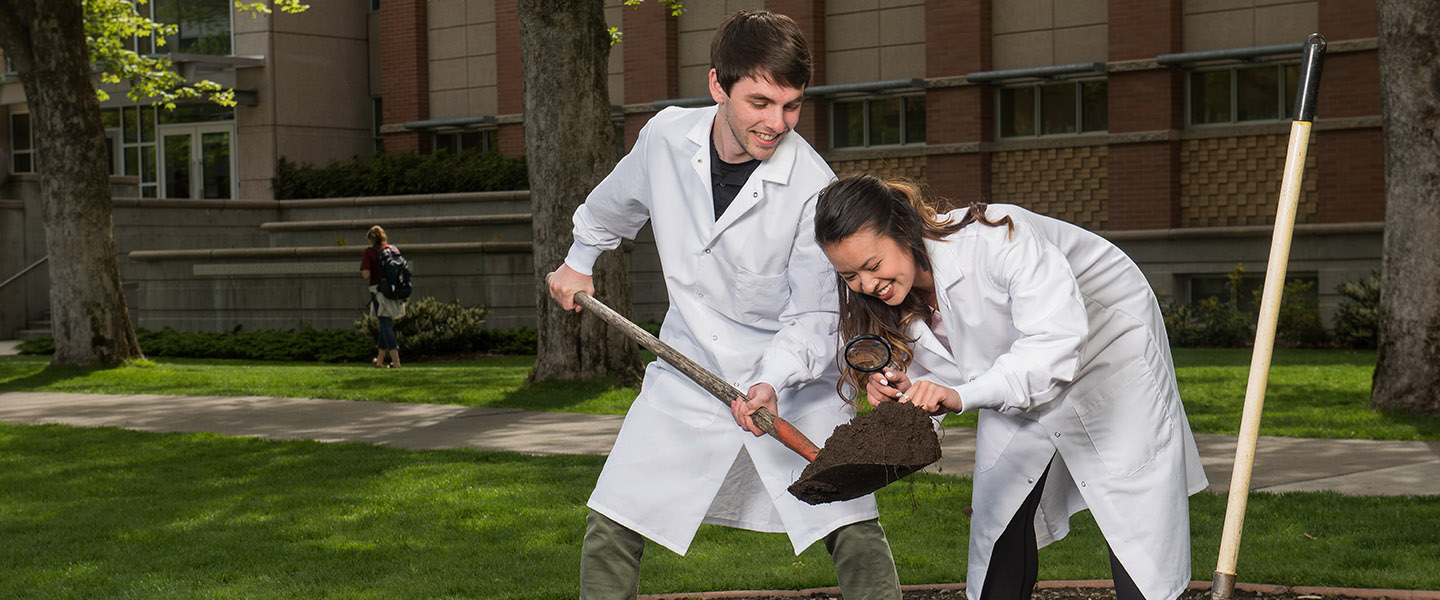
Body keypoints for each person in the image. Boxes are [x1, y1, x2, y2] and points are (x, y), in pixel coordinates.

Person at [544, 10, 901, 600]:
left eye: (791, 106)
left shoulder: (814, 185)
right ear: (717, 85)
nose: (776, 123)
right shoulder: (664, 138)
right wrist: (579, 259)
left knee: (847, 521)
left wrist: (770, 381)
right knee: (615, 517)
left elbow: (813, 317)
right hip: (688, 363)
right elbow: (615, 204)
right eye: (759, 102)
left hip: (791, 376)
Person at [813, 174, 1209, 600]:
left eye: (873, 266)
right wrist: (912, 388)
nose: (866, 285)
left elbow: (1053, 346)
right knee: (999, 512)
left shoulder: (997, 235)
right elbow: (961, 360)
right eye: (850, 275)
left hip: (1108, 355)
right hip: (1016, 372)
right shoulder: (898, 297)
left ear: (905, 230)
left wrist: (961, 396)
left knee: (1134, 522)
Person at [361, 225, 404, 368]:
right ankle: (379, 361)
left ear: (371, 239)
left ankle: (396, 361)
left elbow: (366, 274)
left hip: (379, 292)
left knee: (385, 324)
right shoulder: (393, 250)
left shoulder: (369, 252)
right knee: (384, 324)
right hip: (395, 291)